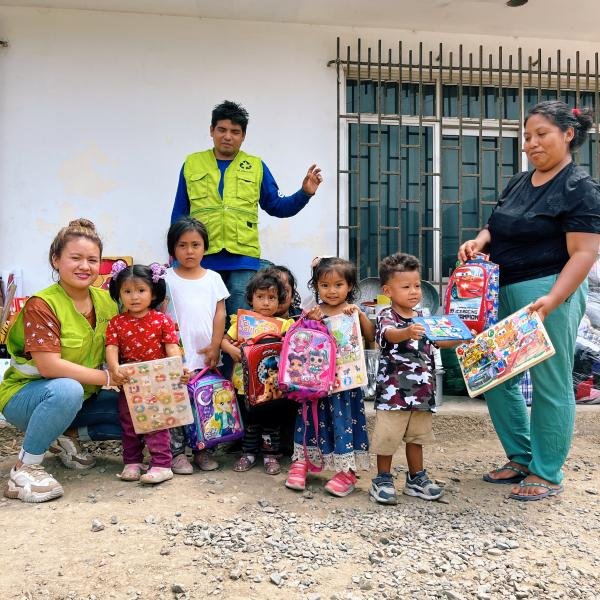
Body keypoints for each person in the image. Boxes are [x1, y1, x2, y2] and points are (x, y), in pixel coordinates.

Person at [458, 101, 600, 501]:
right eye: (527, 136)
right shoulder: (520, 182)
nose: (531, 143)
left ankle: (547, 471)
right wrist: (480, 240)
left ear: (568, 135)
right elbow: (495, 223)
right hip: (500, 290)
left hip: (548, 291)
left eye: (542, 134)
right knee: (495, 375)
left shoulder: (579, 188)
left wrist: (554, 299)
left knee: (550, 382)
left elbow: (585, 253)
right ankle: (520, 456)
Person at [0, 219, 125, 503]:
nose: (85, 266)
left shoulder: (106, 301)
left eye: (92, 260)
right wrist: (108, 378)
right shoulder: (42, 304)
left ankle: (62, 434)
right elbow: (49, 367)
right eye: (75, 258)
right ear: (56, 260)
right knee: (68, 388)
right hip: (27, 398)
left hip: (81, 398)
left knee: (135, 408)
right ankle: (25, 467)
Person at [171, 99, 323, 320]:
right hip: (201, 258)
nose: (227, 136)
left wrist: (304, 193)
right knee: (202, 322)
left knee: (240, 323)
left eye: (235, 131)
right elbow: (179, 214)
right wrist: (176, 257)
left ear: (243, 136)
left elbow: (277, 206)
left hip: (243, 260)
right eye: (221, 129)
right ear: (211, 130)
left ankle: (238, 356)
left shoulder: (256, 166)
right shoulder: (192, 164)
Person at [369, 253, 462, 505]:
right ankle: (383, 479)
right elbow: (390, 336)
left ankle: (416, 478)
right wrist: (408, 330)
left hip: (422, 393)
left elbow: (441, 342)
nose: (413, 292)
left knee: (417, 438)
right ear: (388, 290)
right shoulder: (387, 316)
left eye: (417, 285)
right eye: (406, 286)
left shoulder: (424, 317)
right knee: (387, 438)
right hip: (394, 394)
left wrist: (462, 336)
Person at [285, 257, 375, 497]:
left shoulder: (354, 311)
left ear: (350, 287)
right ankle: (302, 461)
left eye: (338, 285)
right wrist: (309, 321)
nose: (332, 291)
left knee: (343, 421)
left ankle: (347, 471)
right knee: (308, 420)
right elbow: (300, 342)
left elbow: (370, 335)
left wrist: (360, 315)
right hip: (314, 384)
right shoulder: (312, 312)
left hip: (345, 385)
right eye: (325, 285)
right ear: (316, 287)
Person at [106, 262, 189, 485]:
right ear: (119, 293)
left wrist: (178, 367)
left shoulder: (163, 320)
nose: (134, 296)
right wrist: (114, 368)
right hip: (129, 382)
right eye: (127, 291)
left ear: (153, 293)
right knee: (129, 422)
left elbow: (172, 347)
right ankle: (132, 461)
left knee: (157, 423)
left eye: (141, 290)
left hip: (158, 381)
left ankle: (162, 464)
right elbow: (111, 348)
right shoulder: (116, 323)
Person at [163, 217, 230, 473]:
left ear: (205, 247)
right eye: (182, 245)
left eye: (196, 244)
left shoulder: (213, 279)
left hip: (205, 354)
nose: (189, 251)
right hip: (176, 354)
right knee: (177, 403)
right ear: (173, 249)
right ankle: (177, 453)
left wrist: (215, 346)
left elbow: (220, 314)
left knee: (206, 403)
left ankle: (204, 449)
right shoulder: (165, 279)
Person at [221, 271, 294, 474]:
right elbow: (223, 340)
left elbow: (298, 342)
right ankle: (249, 453)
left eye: (272, 298)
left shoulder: (285, 326)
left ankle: (271, 455)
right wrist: (232, 350)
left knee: (272, 421)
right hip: (246, 384)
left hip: (272, 385)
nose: (265, 302)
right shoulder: (242, 323)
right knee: (250, 421)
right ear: (250, 298)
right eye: (260, 297)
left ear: (279, 301)